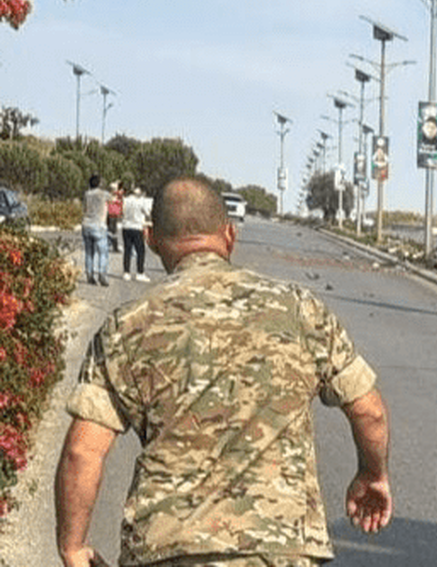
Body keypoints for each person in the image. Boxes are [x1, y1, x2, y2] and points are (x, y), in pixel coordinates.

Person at [55, 177, 393, 567]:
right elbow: (369, 411)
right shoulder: (300, 310)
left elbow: (83, 450)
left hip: (167, 548)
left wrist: (73, 546)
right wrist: (373, 473)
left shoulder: (127, 325)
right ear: (230, 234)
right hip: (282, 548)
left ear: (150, 239)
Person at [81, 174, 110, 287]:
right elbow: (114, 200)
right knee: (103, 252)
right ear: (99, 183)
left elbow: (84, 208)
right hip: (99, 225)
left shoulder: (87, 194)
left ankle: (89, 274)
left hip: (86, 224)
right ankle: (102, 274)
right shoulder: (104, 194)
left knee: (89, 252)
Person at [120, 186, 152, 282]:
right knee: (140, 251)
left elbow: (122, 211)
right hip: (137, 227)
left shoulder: (126, 200)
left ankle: (126, 272)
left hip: (126, 227)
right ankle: (140, 272)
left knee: (127, 250)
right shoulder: (141, 201)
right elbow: (147, 213)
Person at [106, 181, 124, 253]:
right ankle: (111, 245)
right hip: (111, 214)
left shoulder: (118, 196)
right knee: (111, 231)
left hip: (116, 215)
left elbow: (121, 193)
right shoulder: (109, 196)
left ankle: (114, 246)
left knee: (115, 231)